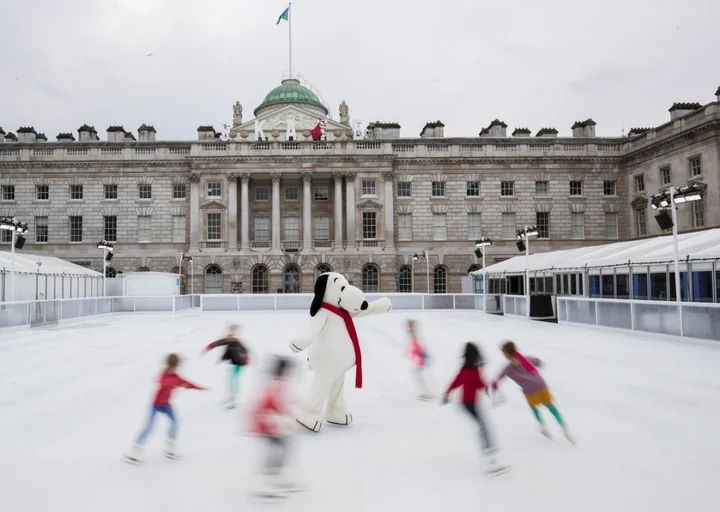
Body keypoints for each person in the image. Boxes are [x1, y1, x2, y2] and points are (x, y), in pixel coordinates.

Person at [125, 353, 205, 463]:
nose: (175, 369)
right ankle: (135, 450)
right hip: (155, 405)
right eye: (173, 367)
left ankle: (170, 447)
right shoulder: (163, 375)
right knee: (149, 427)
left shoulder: (176, 377)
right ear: (169, 366)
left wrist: (199, 388)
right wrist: (177, 385)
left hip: (166, 405)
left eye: (176, 367)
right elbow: (163, 382)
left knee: (175, 422)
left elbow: (188, 383)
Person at [443, 343, 508, 474]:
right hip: (470, 404)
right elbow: (479, 385)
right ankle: (490, 459)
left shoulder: (464, 369)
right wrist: (489, 389)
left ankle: (490, 456)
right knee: (484, 428)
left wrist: (447, 393)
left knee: (483, 427)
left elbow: (456, 381)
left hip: (465, 404)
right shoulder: (475, 370)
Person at [490, 340, 573, 443]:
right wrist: (538, 362)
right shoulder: (526, 359)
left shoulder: (508, 368)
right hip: (541, 385)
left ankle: (543, 427)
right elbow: (537, 361)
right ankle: (565, 429)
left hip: (529, 391)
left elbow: (498, 378)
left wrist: (494, 385)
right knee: (551, 407)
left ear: (506, 353)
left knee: (534, 408)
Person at [249, 356, 300, 496]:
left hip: (269, 424)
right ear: (281, 371)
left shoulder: (276, 383)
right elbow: (271, 403)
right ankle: (262, 481)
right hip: (264, 425)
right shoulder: (274, 384)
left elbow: (283, 402)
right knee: (277, 450)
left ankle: (275, 476)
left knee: (283, 447)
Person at [203, 323, 250, 408]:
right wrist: (209, 347)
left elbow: (245, 350)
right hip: (233, 363)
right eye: (230, 332)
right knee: (231, 380)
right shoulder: (228, 340)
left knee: (233, 380)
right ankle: (231, 397)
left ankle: (233, 399)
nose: (230, 335)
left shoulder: (237, 342)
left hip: (239, 364)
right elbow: (219, 342)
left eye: (233, 332)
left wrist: (246, 359)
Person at [406, 319, 432, 400]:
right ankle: (425, 391)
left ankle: (426, 392)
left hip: (419, 359)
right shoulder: (412, 335)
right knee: (418, 375)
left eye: (410, 326)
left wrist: (420, 355)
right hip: (418, 359)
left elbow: (418, 347)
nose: (408, 328)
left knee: (418, 375)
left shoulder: (414, 335)